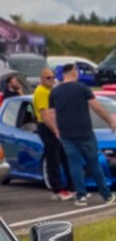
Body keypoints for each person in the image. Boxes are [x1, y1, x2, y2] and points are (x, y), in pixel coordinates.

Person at [49, 64, 115, 207]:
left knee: (74, 164)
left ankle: (81, 196)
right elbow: (96, 107)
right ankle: (106, 194)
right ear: (73, 72)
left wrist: (56, 130)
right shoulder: (82, 88)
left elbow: (51, 114)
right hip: (84, 131)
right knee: (93, 163)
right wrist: (109, 120)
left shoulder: (55, 92)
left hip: (66, 133)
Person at [32, 67, 73, 200]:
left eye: (53, 77)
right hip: (46, 126)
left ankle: (71, 187)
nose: (51, 80)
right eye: (48, 78)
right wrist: (56, 131)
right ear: (41, 79)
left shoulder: (51, 90)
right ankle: (57, 189)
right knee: (53, 158)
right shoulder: (41, 92)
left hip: (55, 125)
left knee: (64, 156)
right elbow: (45, 116)